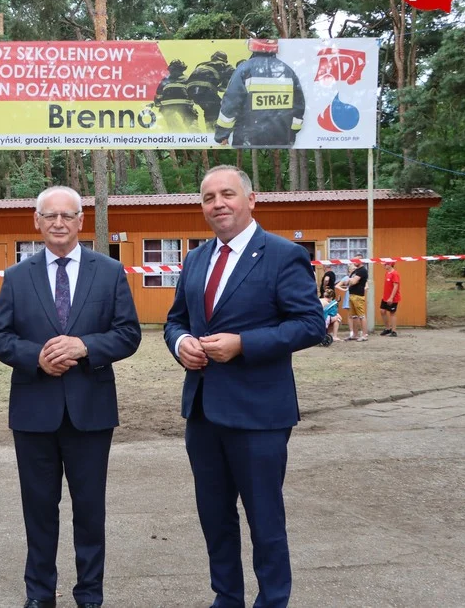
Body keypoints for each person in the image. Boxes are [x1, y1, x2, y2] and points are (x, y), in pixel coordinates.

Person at [163, 166, 324, 608]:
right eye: (209, 197)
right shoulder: (196, 258)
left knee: (264, 520)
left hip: (259, 414)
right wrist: (181, 343)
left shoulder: (282, 254)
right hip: (202, 411)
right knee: (215, 519)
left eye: (227, 194)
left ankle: (272, 601)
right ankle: (227, 598)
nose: (218, 203)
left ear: (251, 200)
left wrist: (243, 345)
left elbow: (311, 325)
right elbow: (175, 319)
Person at [0, 186, 141, 608]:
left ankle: (90, 593)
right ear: (36, 221)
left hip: (91, 411)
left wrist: (85, 347)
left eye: (67, 216)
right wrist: (37, 356)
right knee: (39, 511)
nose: (58, 223)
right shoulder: (17, 275)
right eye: (49, 216)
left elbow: (129, 334)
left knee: (90, 511)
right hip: (34, 412)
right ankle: (39, 593)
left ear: (80, 221)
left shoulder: (109, 272)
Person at [214, 39, 305, 147]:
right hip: (282, 138)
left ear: (253, 47)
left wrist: (222, 134)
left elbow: (231, 105)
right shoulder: (287, 71)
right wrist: (292, 132)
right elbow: (298, 105)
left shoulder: (244, 69)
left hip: (248, 139)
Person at [188, 51, 235, 130]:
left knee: (209, 109)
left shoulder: (201, 64)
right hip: (205, 90)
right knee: (219, 108)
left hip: (191, 90)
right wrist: (224, 86)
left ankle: (209, 129)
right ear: (224, 60)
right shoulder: (225, 65)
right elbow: (234, 76)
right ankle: (215, 131)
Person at [154, 59, 198, 131]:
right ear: (182, 69)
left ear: (170, 70)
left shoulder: (165, 80)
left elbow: (158, 95)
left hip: (167, 104)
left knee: (171, 120)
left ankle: (176, 131)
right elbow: (194, 92)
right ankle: (192, 126)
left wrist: (158, 103)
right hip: (184, 102)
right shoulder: (187, 79)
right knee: (190, 118)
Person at [336, 258, 368, 341]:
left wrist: (350, 280)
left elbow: (353, 282)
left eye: (356, 261)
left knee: (361, 315)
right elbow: (347, 282)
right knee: (353, 316)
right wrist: (351, 280)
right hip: (351, 295)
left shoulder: (362, 271)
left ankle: (364, 335)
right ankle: (355, 334)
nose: (354, 262)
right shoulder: (355, 271)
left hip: (358, 296)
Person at [379, 260, 401, 337]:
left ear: (390, 265)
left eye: (386, 264)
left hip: (393, 298)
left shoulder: (395, 274)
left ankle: (394, 331)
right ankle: (388, 328)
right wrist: (384, 296)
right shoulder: (387, 273)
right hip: (385, 297)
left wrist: (391, 297)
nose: (384, 265)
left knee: (392, 313)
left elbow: (396, 286)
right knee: (382, 311)